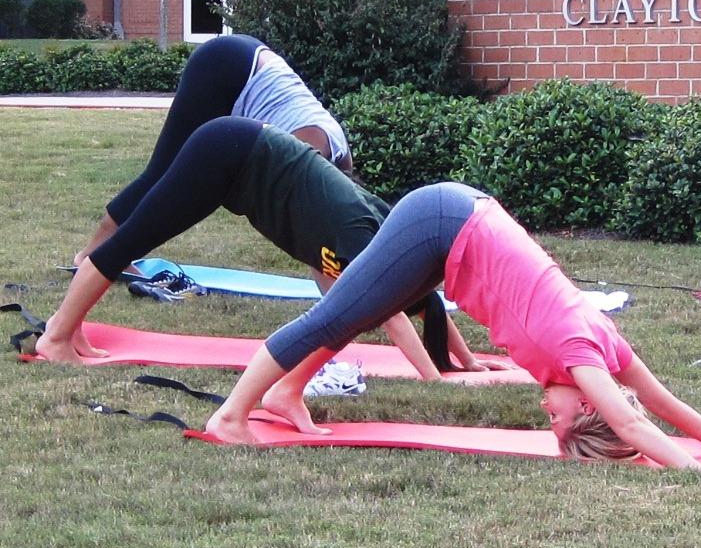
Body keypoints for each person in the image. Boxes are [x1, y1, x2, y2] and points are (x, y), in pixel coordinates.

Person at [198, 182, 701, 469]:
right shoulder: (581, 355)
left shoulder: (605, 346)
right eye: (564, 423)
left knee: (362, 309)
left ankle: (286, 390)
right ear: (589, 405)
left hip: (456, 232)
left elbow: (663, 406)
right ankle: (230, 415)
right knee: (334, 313)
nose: (551, 419)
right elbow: (638, 425)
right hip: (444, 222)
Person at [33, 116, 503, 379]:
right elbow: (391, 313)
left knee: (132, 237)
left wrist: (468, 361)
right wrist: (433, 378)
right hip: (229, 154)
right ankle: (57, 338)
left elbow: (421, 304)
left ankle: (68, 329)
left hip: (239, 161)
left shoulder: (391, 239)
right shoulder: (364, 236)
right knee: (132, 238)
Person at [79, 34, 350, 257]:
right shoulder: (310, 149)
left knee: (164, 175)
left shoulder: (340, 156)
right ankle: (93, 253)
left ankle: (112, 253)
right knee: (162, 173)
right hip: (226, 69)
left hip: (245, 58)